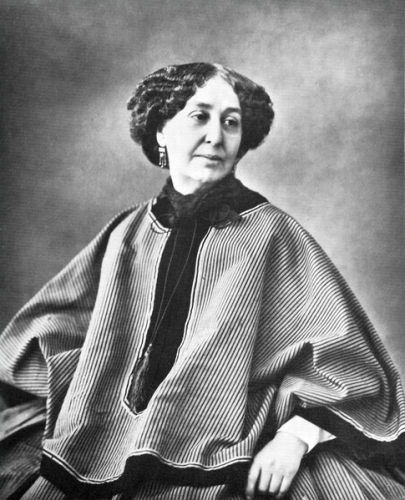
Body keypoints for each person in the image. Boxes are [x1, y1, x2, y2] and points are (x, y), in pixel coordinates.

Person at [0, 62, 404, 500]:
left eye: (231, 122)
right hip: (107, 434)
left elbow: (348, 365)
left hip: (235, 438)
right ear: (160, 130)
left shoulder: (273, 233)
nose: (216, 136)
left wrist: (296, 438)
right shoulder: (127, 232)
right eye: (199, 116)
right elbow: (53, 331)